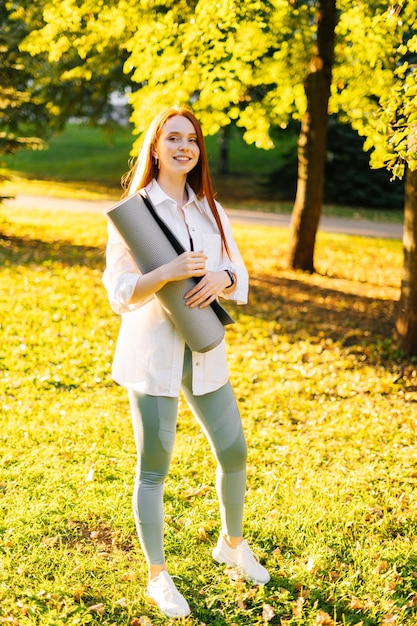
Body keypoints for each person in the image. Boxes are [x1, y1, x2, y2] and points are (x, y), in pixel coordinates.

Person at [103, 105, 270, 619]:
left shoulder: (209, 209)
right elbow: (118, 291)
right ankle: (157, 576)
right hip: (153, 353)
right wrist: (167, 271)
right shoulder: (136, 211)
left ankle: (232, 544)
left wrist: (224, 277)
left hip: (204, 348)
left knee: (234, 450)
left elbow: (238, 270)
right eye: (172, 138)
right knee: (154, 468)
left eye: (192, 139)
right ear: (155, 147)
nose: (184, 147)